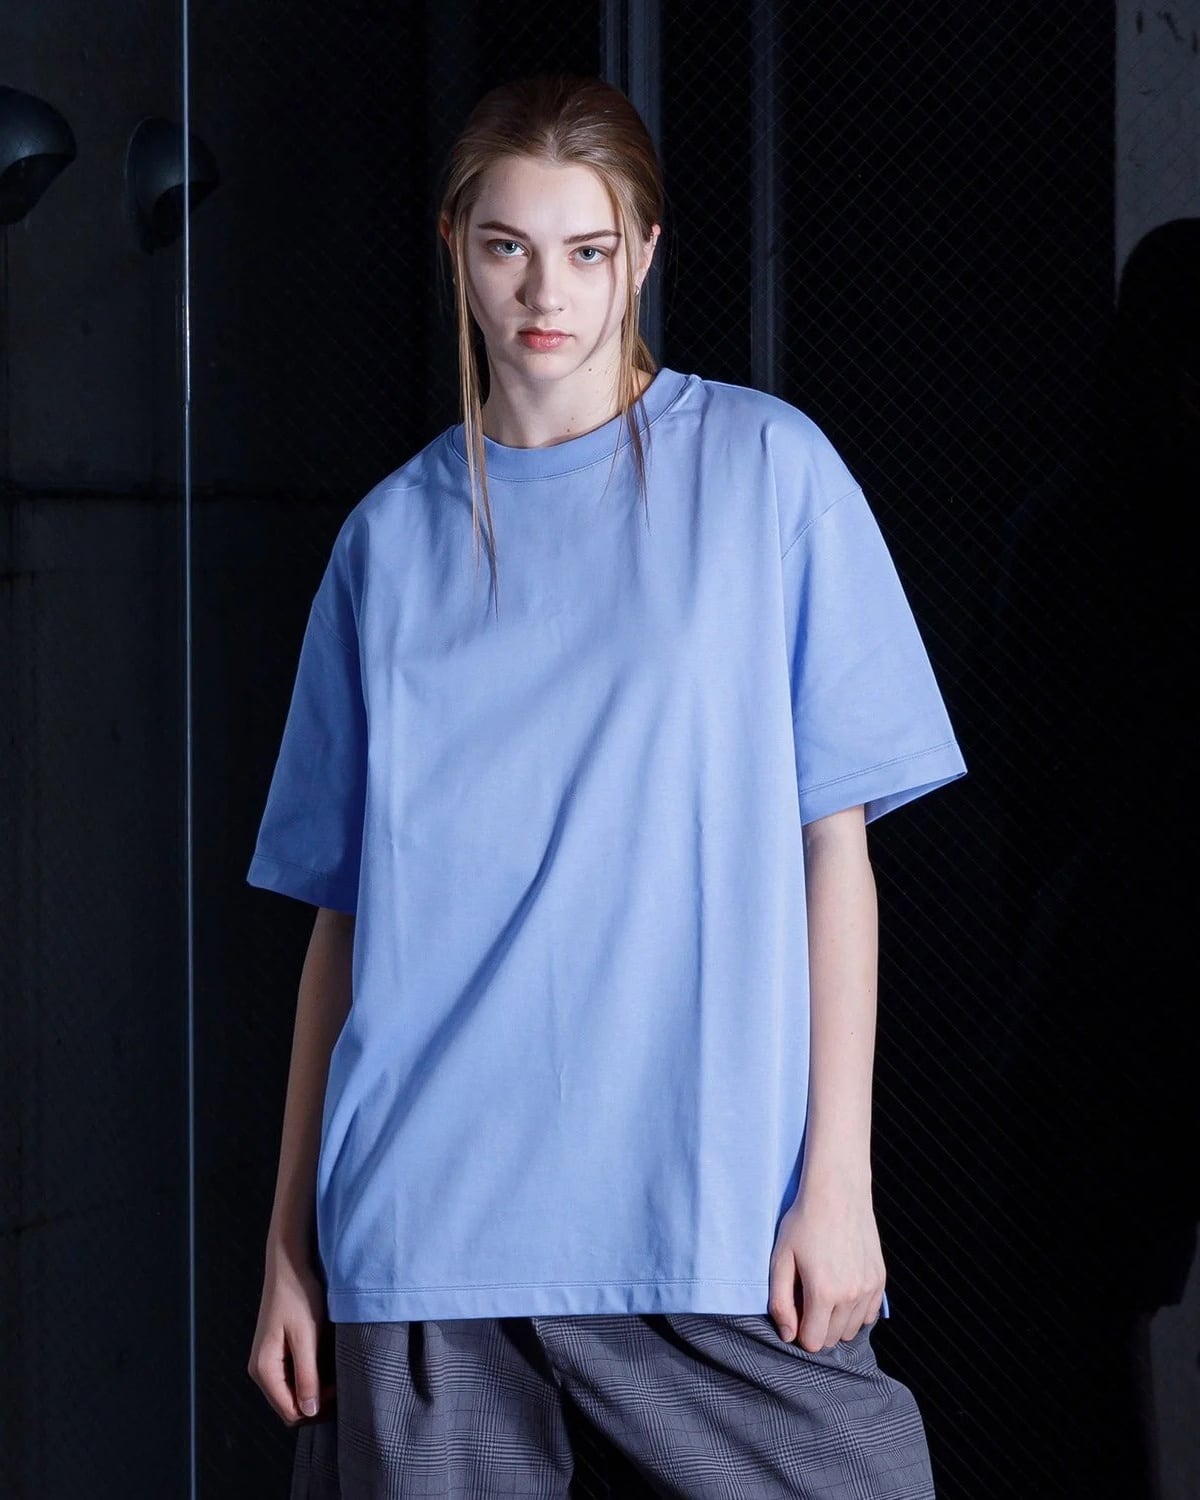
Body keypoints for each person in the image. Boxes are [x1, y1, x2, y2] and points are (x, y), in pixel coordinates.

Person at [245, 71, 967, 1500]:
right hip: (426, 1220)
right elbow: (344, 923)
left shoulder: (767, 473)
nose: (545, 293)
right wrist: (288, 1247)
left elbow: (837, 854)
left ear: (642, 254)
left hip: (698, 1203)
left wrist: (841, 1180)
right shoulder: (386, 544)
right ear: (454, 249)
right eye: (507, 246)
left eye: (588, 249)